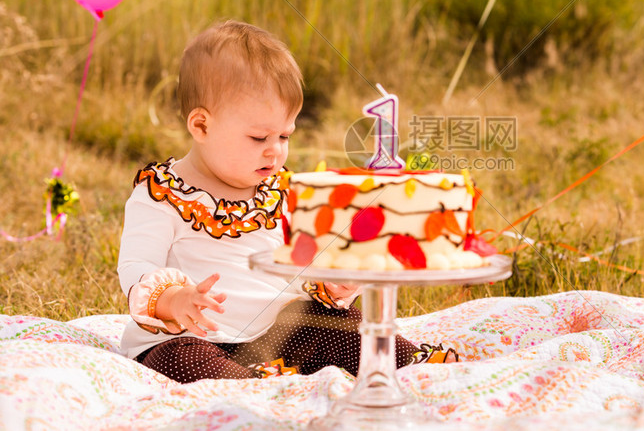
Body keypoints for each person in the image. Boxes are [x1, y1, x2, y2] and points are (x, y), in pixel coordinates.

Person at [117, 20, 457, 383]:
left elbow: (304, 260)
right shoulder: (163, 195)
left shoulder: (278, 191)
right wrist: (174, 300)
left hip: (277, 338)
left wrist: (331, 282)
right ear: (201, 126)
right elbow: (136, 267)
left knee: (336, 322)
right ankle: (249, 387)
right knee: (178, 359)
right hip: (194, 335)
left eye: (284, 135)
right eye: (259, 136)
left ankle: (403, 362)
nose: (275, 150)